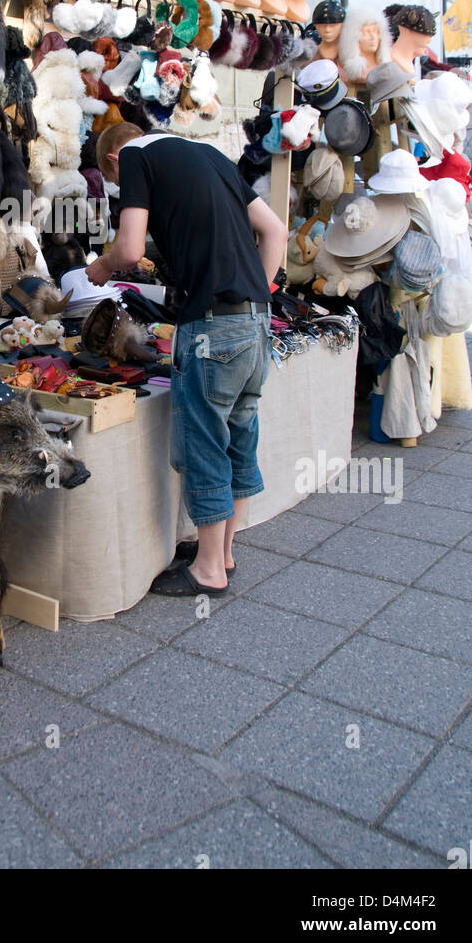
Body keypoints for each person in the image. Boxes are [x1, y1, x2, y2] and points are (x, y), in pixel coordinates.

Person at [87, 123, 287, 595]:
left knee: (204, 444)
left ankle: (208, 572)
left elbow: (131, 248)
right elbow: (275, 231)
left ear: (113, 159)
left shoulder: (135, 154)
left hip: (212, 327)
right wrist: (251, 298)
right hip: (255, 321)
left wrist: (103, 265)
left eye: (116, 187)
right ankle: (222, 554)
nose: (123, 191)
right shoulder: (211, 154)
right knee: (237, 438)